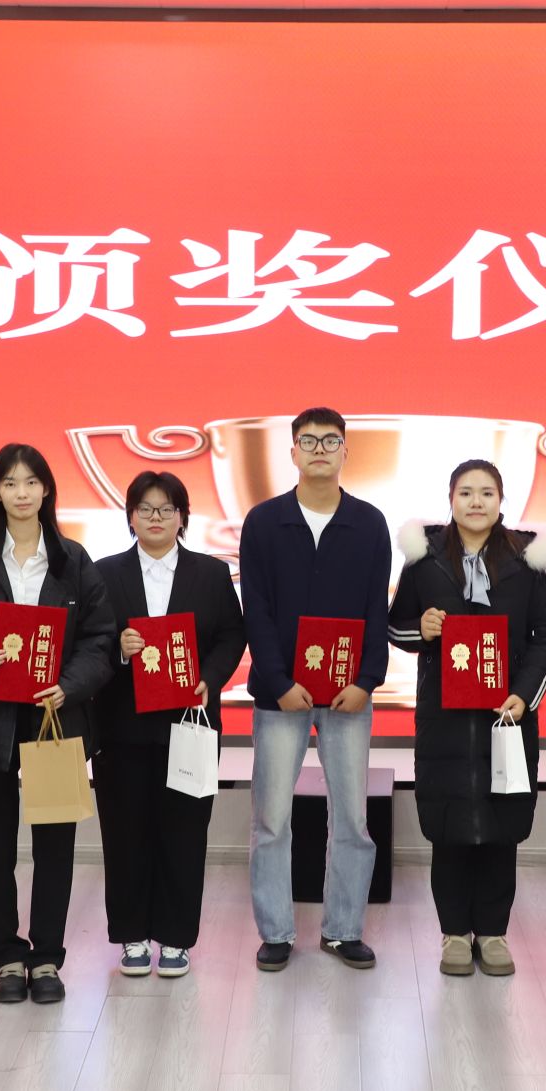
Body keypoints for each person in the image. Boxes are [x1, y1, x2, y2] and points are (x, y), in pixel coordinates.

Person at [0, 444, 117, 1006]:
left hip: (55, 722)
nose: (21, 493)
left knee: (55, 846)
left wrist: (69, 684)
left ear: (47, 490)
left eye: (31, 482)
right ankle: (5, 957)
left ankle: (46, 956)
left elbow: (100, 639)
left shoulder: (73, 561)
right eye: (10, 483)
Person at [389, 460, 546, 976]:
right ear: (451, 499)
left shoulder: (526, 560)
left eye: (487, 492)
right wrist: (422, 628)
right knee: (449, 830)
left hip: (507, 718)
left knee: (501, 829)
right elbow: (394, 629)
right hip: (443, 719)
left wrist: (524, 696)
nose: (477, 502)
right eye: (466, 492)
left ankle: (494, 932)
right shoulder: (424, 560)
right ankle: (454, 934)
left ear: (502, 500)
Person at [239, 406, 392, 972]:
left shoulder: (369, 523)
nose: (320, 450)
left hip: (349, 694)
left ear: (346, 451)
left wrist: (367, 680)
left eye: (330, 441)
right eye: (309, 441)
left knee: (352, 818)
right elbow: (255, 609)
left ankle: (343, 929)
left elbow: (376, 608)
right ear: (293, 452)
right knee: (271, 819)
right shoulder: (264, 522)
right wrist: (277, 681)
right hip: (279, 695)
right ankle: (276, 932)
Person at [92, 471, 247, 978]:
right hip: (122, 727)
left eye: (166, 509)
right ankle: (132, 935)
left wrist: (210, 678)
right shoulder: (103, 574)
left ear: (183, 517)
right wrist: (119, 648)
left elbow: (232, 634)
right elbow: (87, 640)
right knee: (125, 833)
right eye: (145, 509)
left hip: (191, 723)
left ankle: (177, 937)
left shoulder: (211, 573)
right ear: (130, 516)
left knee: (185, 831)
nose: (155, 517)